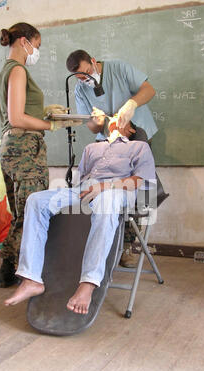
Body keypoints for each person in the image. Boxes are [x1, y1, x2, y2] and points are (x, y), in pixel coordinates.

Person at [4, 116, 156, 313]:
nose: (115, 116)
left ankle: (88, 283)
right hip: (86, 189)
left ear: (131, 130)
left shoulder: (138, 147)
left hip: (118, 190)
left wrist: (104, 186)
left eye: (121, 116)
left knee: (106, 201)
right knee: (36, 200)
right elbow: (80, 181)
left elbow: (138, 180)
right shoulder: (91, 148)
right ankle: (31, 278)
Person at [0, 22, 80, 288]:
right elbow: (17, 117)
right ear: (24, 41)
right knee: (33, 210)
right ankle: (19, 270)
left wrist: (45, 112)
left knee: (24, 210)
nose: (37, 52)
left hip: (11, 147)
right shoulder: (18, 70)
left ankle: (11, 269)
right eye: (37, 45)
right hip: (23, 149)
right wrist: (51, 125)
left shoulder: (7, 70)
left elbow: (21, 111)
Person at [66, 49, 158, 268]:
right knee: (100, 193)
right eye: (81, 77)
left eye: (88, 72)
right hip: (105, 145)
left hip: (135, 138)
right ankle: (102, 244)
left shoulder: (118, 68)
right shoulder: (81, 90)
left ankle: (125, 246)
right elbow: (91, 127)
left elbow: (149, 90)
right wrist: (98, 123)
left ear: (94, 62)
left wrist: (131, 104)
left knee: (130, 193)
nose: (86, 79)